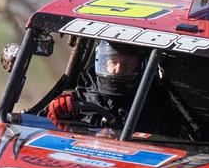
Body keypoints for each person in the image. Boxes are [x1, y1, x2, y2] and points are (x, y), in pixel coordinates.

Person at [45, 41, 175, 133]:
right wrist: (56, 111)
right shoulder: (82, 92)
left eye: (127, 64)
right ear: (103, 62)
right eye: (113, 61)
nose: (118, 70)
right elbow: (41, 126)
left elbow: (165, 144)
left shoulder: (154, 104)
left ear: (140, 66)